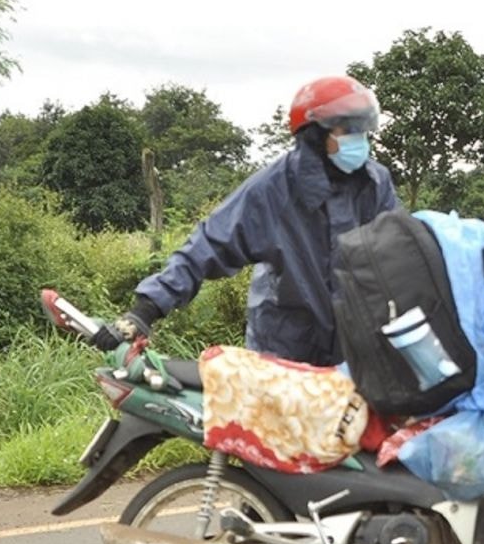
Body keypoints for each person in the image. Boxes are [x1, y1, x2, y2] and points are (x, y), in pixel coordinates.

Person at [94, 75, 399, 365]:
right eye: (348, 131)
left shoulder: (375, 184)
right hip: (284, 350)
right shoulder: (274, 189)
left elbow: (402, 251)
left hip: (353, 348)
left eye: (362, 131)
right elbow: (209, 244)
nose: (359, 141)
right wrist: (145, 309)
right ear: (316, 134)